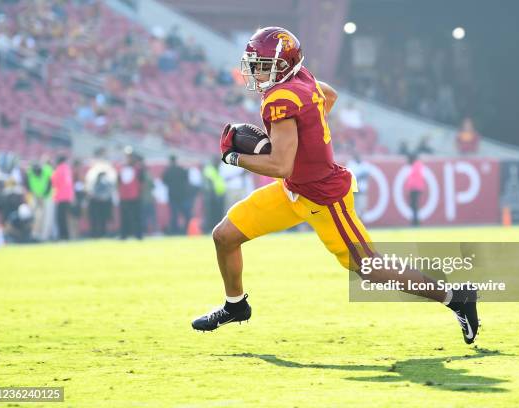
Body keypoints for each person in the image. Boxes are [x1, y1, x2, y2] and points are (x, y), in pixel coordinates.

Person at [191, 27, 479, 345]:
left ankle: (456, 296)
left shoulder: (281, 97)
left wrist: (233, 158)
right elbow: (328, 96)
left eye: (261, 64)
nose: (255, 70)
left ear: (283, 65)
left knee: (370, 268)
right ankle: (236, 305)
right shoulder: (302, 79)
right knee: (225, 236)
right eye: (254, 62)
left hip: (323, 196)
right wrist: (310, 130)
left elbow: (280, 165)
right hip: (293, 189)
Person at [118, 148, 144, 240]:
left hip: (135, 197)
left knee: (136, 217)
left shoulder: (138, 169)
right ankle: (124, 235)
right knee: (124, 217)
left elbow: (141, 182)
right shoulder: (122, 169)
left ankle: (138, 235)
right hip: (124, 197)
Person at [162, 155, 190, 234]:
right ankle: (186, 229)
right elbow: (186, 180)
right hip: (182, 196)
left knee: (174, 215)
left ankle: (175, 231)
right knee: (186, 214)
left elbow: (164, 182)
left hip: (172, 196)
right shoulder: (181, 170)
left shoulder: (168, 171)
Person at [51, 155, 74, 240]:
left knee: (60, 218)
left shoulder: (58, 170)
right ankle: (66, 235)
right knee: (65, 217)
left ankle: (62, 236)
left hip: (60, 197)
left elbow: (54, 184)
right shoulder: (67, 170)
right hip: (68, 197)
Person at [346, 154, 371, 218]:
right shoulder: (351, 164)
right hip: (353, 192)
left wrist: (357, 177)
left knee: (362, 209)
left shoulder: (365, 165)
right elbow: (349, 176)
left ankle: (360, 225)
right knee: (354, 210)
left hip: (362, 191)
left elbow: (366, 175)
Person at [404, 154, 426, 227]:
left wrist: (408, 187)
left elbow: (413, 178)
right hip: (417, 187)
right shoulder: (418, 165)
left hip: (415, 188)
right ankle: (415, 221)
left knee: (414, 205)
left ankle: (415, 222)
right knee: (414, 205)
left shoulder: (416, 166)